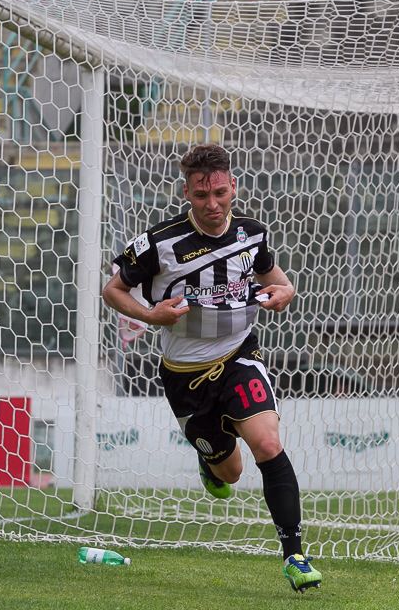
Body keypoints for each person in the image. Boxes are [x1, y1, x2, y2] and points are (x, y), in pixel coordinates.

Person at [101, 144, 322, 593]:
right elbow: (113, 290)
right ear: (187, 193)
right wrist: (151, 315)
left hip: (239, 357)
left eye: (220, 192)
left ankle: (295, 555)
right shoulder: (158, 243)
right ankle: (211, 458)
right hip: (185, 375)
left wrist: (286, 292)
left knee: (268, 442)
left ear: (232, 186)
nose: (213, 204)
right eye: (202, 196)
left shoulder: (252, 234)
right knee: (230, 474)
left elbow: (276, 281)